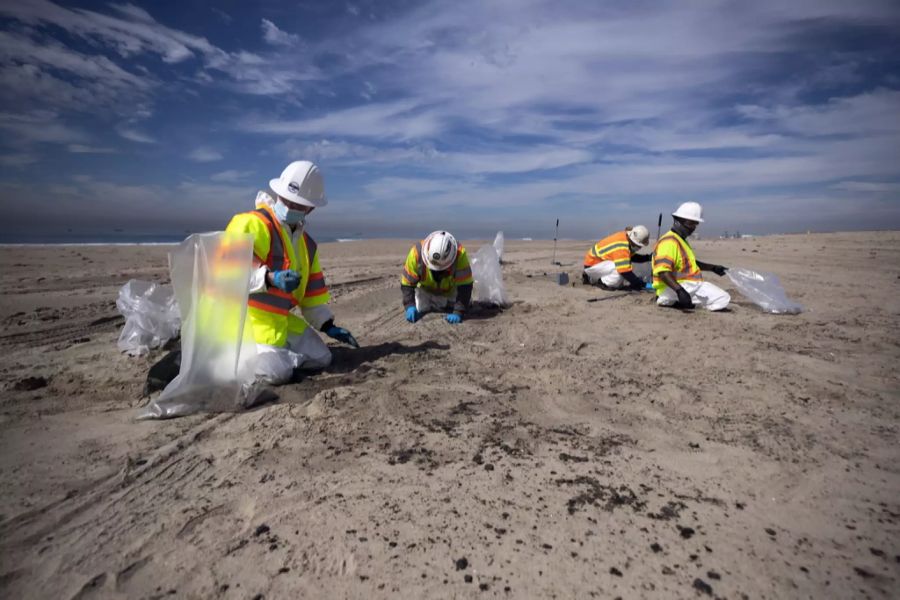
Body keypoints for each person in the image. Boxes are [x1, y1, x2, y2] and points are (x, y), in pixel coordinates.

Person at [225, 160, 358, 385]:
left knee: (322, 357)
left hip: (280, 323)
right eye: (287, 200)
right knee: (276, 373)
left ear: (311, 208)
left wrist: (328, 325)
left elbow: (311, 298)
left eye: (298, 204)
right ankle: (228, 358)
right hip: (244, 323)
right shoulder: (252, 224)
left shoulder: (307, 245)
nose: (290, 207)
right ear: (278, 194)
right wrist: (268, 278)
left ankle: (272, 358)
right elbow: (226, 274)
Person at [651, 202, 730, 311]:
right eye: (690, 223)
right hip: (674, 288)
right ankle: (673, 300)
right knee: (723, 298)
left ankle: (675, 301)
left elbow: (690, 263)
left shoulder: (680, 240)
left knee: (718, 297)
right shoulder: (670, 241)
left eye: (695, 224)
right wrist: (680, 291)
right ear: (678, 221)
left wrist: (713, 268)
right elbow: (663, 272)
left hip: (685, 286)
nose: (693, 228)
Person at [401, 231, 474, 324]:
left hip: (450, 291)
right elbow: (407, 283)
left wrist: (458, 312)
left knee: (464, 303)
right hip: (425, 290)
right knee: (419, 306)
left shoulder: (460, 254)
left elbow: (465, 286)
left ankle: (449, 303)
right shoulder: (416, 253)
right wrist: (410, 305)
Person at [582, 225, 652, 290]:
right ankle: (602, 282)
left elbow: (631, 257)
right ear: (634, 242)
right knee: (618, 275)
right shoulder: (621, 246)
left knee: (625, 266)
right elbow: (625, 272)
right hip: (592, 265)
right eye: (639, 246)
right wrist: (642, 284)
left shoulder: (625, 238)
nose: (639, 248)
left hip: (597, 263)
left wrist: (648, 257)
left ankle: (592, 277)